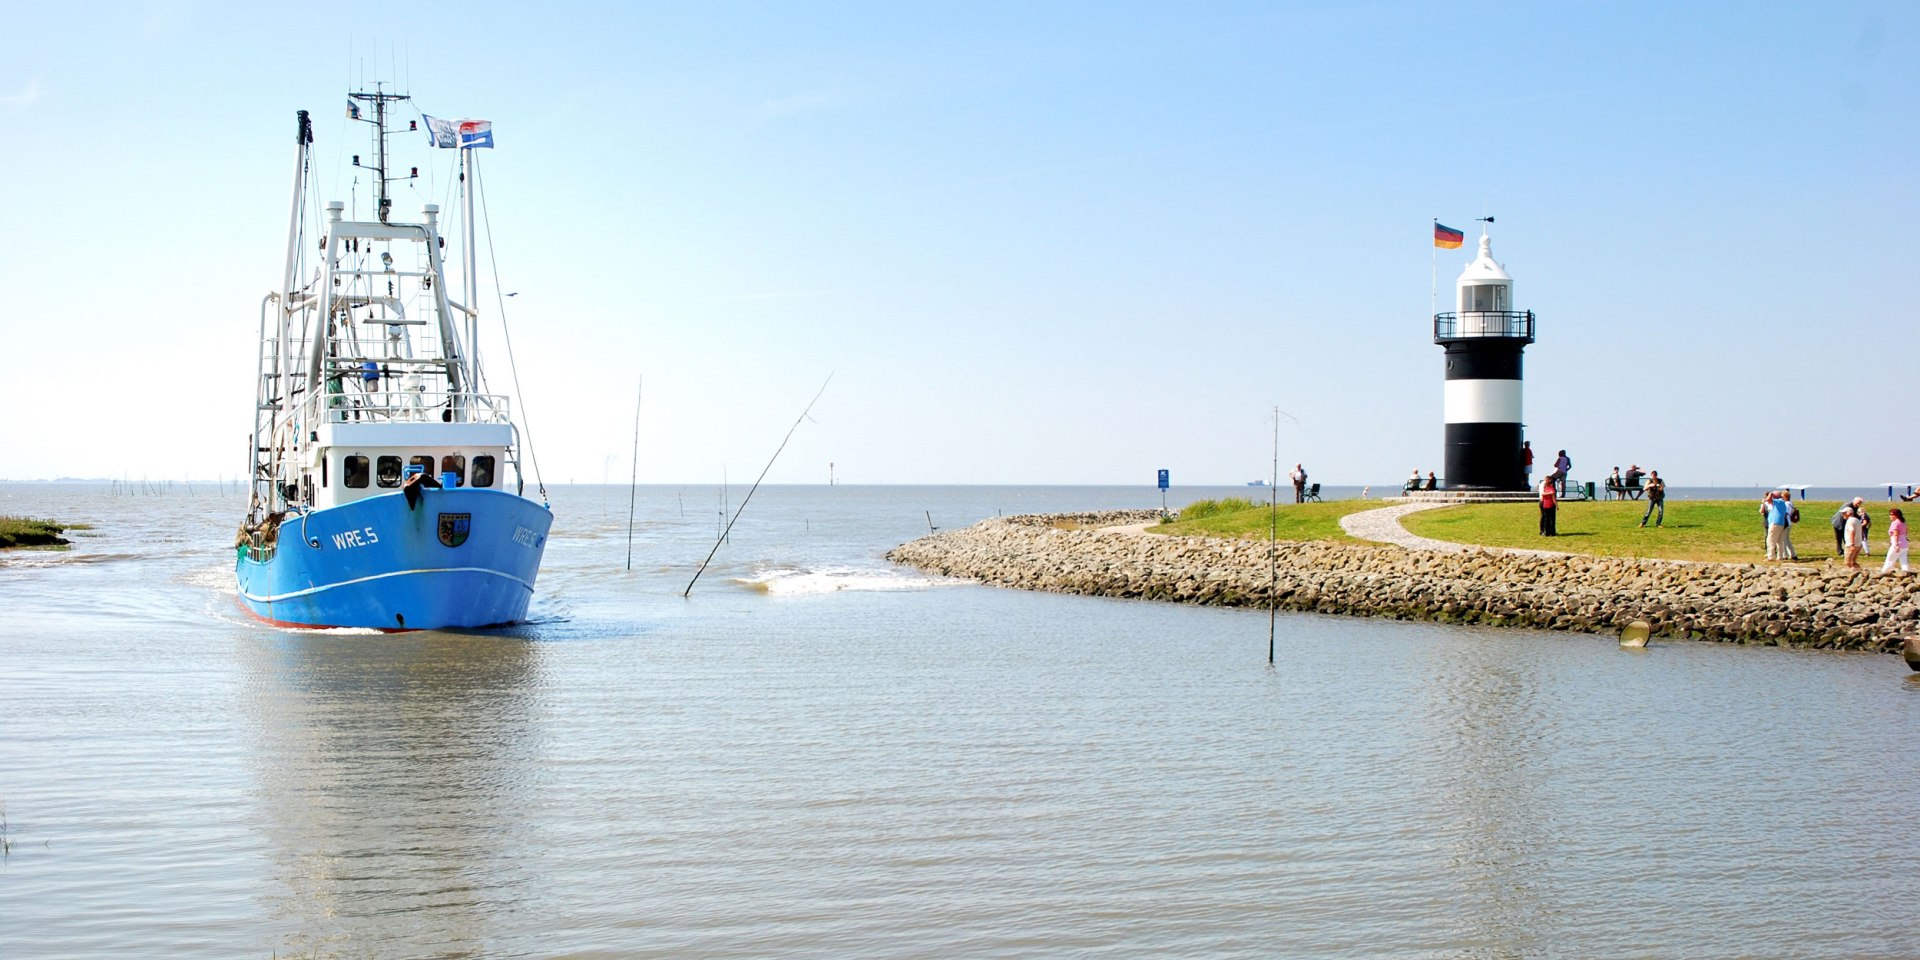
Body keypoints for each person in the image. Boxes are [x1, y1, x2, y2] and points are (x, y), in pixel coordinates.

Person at [1882, 508, 1910, 574]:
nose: (1890, 516)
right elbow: (1906, 531)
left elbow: (1896, 534)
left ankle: (1884, 572)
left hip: (1897, 543)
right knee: (1903, 560)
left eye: (1891, 514)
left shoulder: (1895, 523)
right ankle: (1906, 572)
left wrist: (1896, 544)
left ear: (1896, 515)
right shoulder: (1903, 522)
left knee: (1890, 559)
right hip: (1904, 544)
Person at [1765, 491, 1792, 560]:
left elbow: (1767, 500)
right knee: (1780, 541)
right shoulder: (1782, 502)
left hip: (1775, 523)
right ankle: (1780, 557)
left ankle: (1771, 557)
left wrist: (1770, 494)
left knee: (1771, 540)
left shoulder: (1778, 501)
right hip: (1781, 523)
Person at [1778, 489, 1800, 559]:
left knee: (1783, 539)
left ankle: (1785, 555)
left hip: (1786, 522)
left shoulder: (1786, 504)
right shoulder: (1790, 503)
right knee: (1787, 539)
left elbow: (1784, 513)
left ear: (1785, 496)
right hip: (1789, 522)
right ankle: (1793, 554)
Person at [1844, 505, 1865, 569]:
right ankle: (1860, 572)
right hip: (1858, 544)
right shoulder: (1857, 520)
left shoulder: (1850, 521)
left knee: (1847, 563)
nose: (1843, 515)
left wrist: (1852, 544)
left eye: (1844, 513)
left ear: (1848, 513)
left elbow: (1852, 531)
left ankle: (1851, 575)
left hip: (1851, 545)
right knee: (1853, 562)